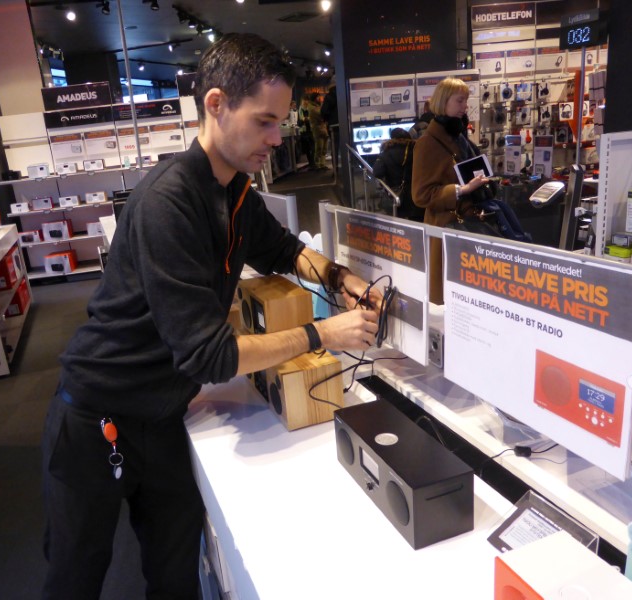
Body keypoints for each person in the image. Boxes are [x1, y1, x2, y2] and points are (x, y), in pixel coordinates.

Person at [40, 32, 381, 600]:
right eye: (265, 122)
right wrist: (324, 331)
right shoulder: (166, 205)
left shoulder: (236, 190)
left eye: (282, 123)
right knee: (74, 581)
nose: (277, 138)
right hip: (96, 420)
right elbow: (211, 354)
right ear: (217, 104)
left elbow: (281, 249)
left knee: (175, 578)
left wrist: (339, 278)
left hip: (164, 415)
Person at [411, 77, 490, 304]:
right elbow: (421, 195)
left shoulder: (460, 138)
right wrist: (461, 190)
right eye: (460, 101)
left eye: (466, 101)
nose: (465, 106)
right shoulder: (427, 143)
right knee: (449, 300)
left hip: (468, 231)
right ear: (444, 102)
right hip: (447, 232)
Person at [372, 127, 423, 221]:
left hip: (397, 197)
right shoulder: (418, 151)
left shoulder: (386, 153)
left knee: (399, 226)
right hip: (417, 196)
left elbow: (377, 172)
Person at [305, 92, 329, 170]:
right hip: (317, 130)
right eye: (318, 97)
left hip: (323, 129)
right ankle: (317, 164)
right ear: (315, 98)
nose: (320, 99)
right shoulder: (312, 108)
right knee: (319, 147)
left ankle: (322, 164)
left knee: (324, 148)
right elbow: (321, 116)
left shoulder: (317, 106)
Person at [320, 77, 339, 169]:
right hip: (345, 125)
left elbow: (324, 111)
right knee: (348, 147)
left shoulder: (329, 97)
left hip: (333, 126)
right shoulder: (344, 93)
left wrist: (327, 120)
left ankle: (335, 169)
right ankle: (349, 167)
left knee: (334, 148)